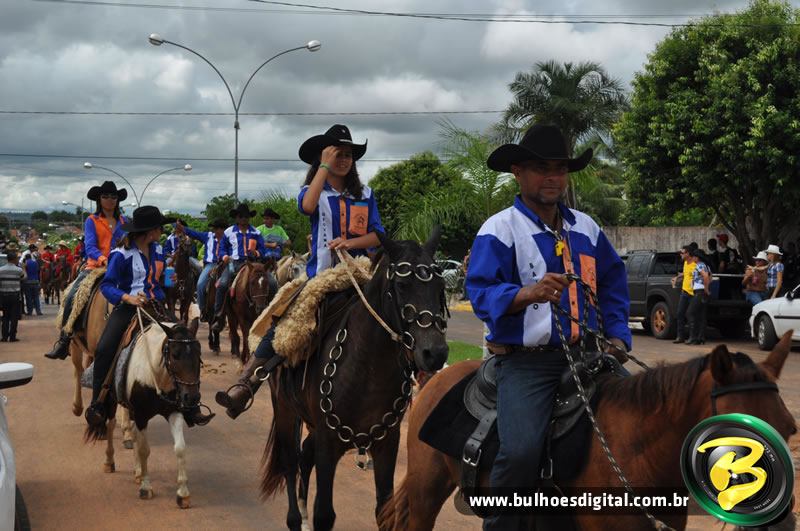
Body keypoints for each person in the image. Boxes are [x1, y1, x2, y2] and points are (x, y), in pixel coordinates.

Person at [464, 124, 631, 531]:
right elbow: (480, 292)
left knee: (646, 418)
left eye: (560, 169)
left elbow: (613, 282)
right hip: (528, 364)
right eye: (542, 168)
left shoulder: (587, 228)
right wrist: (527, 293)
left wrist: (617, 335)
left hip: (589, 354)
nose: (553, 177)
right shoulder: (500, 229)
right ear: (518, 172)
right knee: (521, 452)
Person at [215, 124, 385, 419]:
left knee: (396, 315)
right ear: (323, 158)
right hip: (322, 276)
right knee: (287, 321)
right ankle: (246, 383)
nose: (344, 160)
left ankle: (412, 376)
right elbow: (307, 207)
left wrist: (350, 242)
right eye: (337, 154)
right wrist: (324, 166)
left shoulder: (365, 194)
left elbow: (378, 235)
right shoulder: (313, 192)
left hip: (361, 274)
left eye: (348, 155)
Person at [84, 206, 214, 429]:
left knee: (186, 342)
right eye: (159, 227)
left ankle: (191, 406)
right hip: (128, 307)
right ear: (149, 231)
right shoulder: (121, 254)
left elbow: (160, 279)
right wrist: (127, 297)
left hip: (156, 305)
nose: (162, 231)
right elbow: (107, 285)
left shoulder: (159, 250)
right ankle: (98, 404)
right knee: (105, 349)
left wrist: (171, 284)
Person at [45, 181, 127, 360]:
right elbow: (90, 247)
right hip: (96, 267)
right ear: (99, 199)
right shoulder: (92, 220)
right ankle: (64, 339)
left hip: (121, 267)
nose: (110, 200)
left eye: (113, 197)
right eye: (105, 196)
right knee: (73, 295)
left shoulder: (125, 222)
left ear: (118, 200)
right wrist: (103, 259)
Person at [209, 204, 267, 332]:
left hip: (253, 264)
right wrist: (224, 256)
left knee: (272, 283)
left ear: (249, 218)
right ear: (236, 218)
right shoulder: (228, 232)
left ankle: (271, 314)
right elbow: (222, 248)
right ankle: (219, 316)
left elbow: (263, 250)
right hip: (234, 262)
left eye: (246, 216)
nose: (243, 219)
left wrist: (257, 253)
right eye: (241, 216)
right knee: (222, 284)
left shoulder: (256, 232)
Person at [175, 218, 228, 321]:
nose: (218, 231)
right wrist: (182, 228)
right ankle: (203, 309)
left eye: (221, 228)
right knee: (200, 284)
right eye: (216, 228)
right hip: (211, 264)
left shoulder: (229, 238)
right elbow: (194, 233)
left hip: (225, 264)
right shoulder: (208, 236)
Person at [670, 245, 695, 343]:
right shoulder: (685, 263)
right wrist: (677, 277)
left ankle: (692, 337)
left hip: (693, 293)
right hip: (684, 292)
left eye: (682, 253)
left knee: (691, 315)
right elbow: (685, 274)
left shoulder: (695, 264)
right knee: (680, 313)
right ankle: (680, 336)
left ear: (688, 253)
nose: (681, 255)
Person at [686, 249, 711, 345]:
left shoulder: (699, 265)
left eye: (693, 256)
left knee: (690, 313)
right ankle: (701, 337)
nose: (692, 258)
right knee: (701, 315)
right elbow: (710, 277)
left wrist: (706, 289)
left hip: (699, 291)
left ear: (697, 257)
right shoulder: (706, 266)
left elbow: (706, 276)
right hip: (702, 292)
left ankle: (693, 337)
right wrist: (707, 288)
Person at [0, 251, 25, 342]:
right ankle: (12, 337)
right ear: (14, 259)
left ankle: (4, 337)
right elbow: (24, 277)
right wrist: (23, 268)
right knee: (14, 317)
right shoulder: (18, 270)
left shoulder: (1, 270)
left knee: (5, 316)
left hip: (4, 296)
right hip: (15, 296)